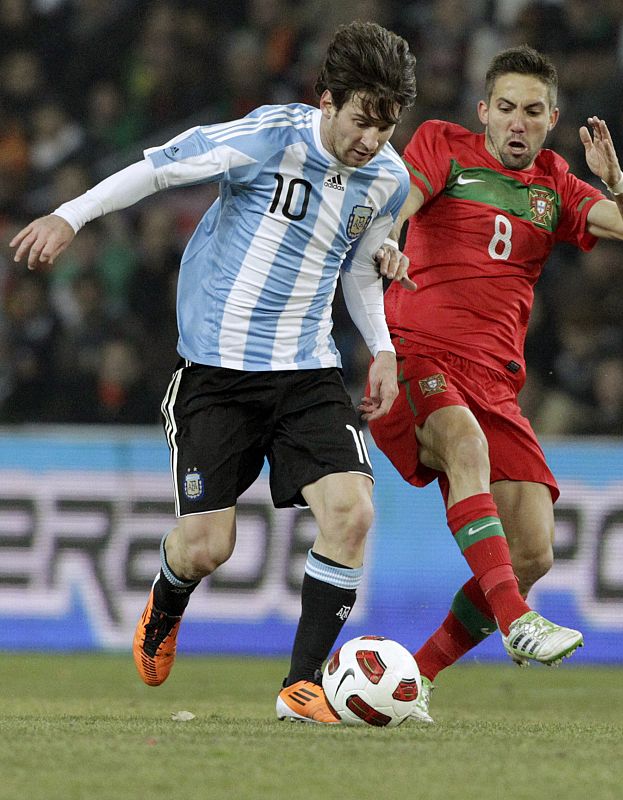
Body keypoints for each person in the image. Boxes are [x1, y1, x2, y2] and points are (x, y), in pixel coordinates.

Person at [10, 21, 417, 725]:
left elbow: (359, 268)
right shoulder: (269, 137)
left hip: (306, 372)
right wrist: (71, 215)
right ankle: (166, 604)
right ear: (327, 100)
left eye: (385, 127)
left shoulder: (388, 180)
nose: (371, 141)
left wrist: (381, 347)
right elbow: (161, 166)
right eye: (360, 121)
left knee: (352, 512)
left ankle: (302, 687)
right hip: (216, 377)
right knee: (207, 547)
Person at [370, 44, 623, 722]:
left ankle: (414, 677)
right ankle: (517, 622)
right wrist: (388, 233)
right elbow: (402, 199)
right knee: (464, 447)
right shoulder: (442, 145)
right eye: (506, 109)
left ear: (552, 119)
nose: (517, 124)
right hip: (420, 356)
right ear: (484, 111)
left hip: (496, 382)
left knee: (533, 549)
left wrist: (616, 181)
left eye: (533, 112)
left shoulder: (555, 184)